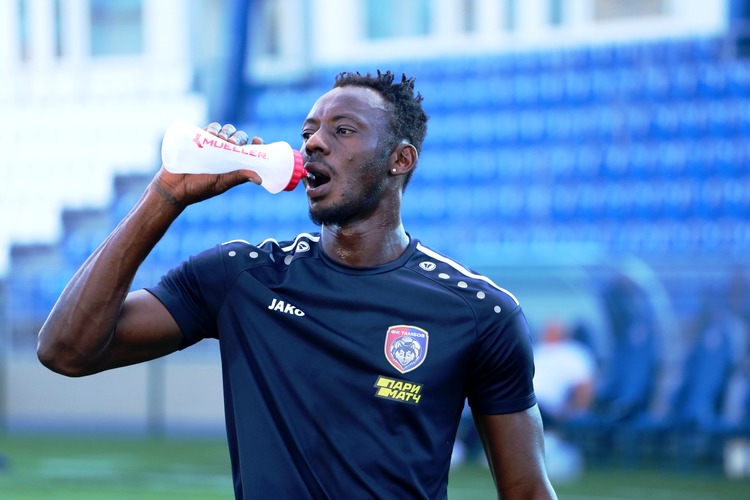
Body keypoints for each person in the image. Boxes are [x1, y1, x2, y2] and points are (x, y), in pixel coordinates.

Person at [37, 70, 557, 499]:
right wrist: (166, 194)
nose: (314, 143)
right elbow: (65, 350)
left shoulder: (479, 313)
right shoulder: (241, 278)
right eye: (309, 131)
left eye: (343, 131)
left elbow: (527, 490)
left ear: (400, 160)